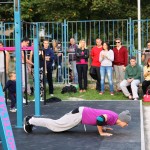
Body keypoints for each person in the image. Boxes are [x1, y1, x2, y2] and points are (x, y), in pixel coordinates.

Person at [24, 106, 131, 137]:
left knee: (58, 127)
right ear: (122, 120)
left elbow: (100, 118)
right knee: (56, 126)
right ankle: (30, 120)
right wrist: (101, 132)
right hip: (79, 115)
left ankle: (32, 120)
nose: (126, 125)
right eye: (126, 123)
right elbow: (99, 119)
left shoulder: (114, 118)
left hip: (80, 114)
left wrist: (103, 127)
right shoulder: (113, 117)